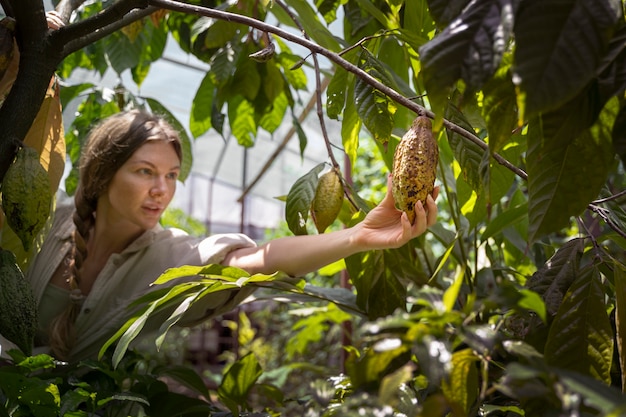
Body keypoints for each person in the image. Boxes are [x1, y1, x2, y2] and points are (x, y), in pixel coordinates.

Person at [17, 110, 438, 362]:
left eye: (171, 176)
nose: (161, 190)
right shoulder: (40, 223)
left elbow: (255, 262)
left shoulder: (167, 255)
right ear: (104, 172)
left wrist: (357, 237)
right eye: (145, 172)